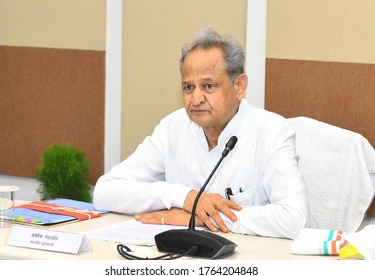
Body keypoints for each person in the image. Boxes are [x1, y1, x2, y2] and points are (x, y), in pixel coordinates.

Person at [93, 27, 309, 239]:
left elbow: (295, 219)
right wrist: (186, 198)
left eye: (208, 86)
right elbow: (104, 192)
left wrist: (203, 217)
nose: (195, 99)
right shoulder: (173, 127)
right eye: (188, 87)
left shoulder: (271, 131)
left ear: (239, 86)